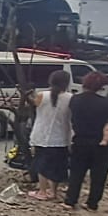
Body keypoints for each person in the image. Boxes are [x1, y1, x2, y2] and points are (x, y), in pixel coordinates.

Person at [65, 72, 108, 211]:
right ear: (101, 86)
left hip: (81, 140)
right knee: (99, 175)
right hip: (102, 144)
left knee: (76, 172)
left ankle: (70, 200)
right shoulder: (107, 103)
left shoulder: (75, 100)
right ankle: (92, 203)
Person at [27, 70, 73, 201]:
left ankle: (42, 191)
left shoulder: (42, 95)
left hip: (42, 136)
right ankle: (53, 191)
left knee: (42, 165)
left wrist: (28, 94)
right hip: (61, 137)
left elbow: (33, 104)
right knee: (57, 165)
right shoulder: (70, 98)